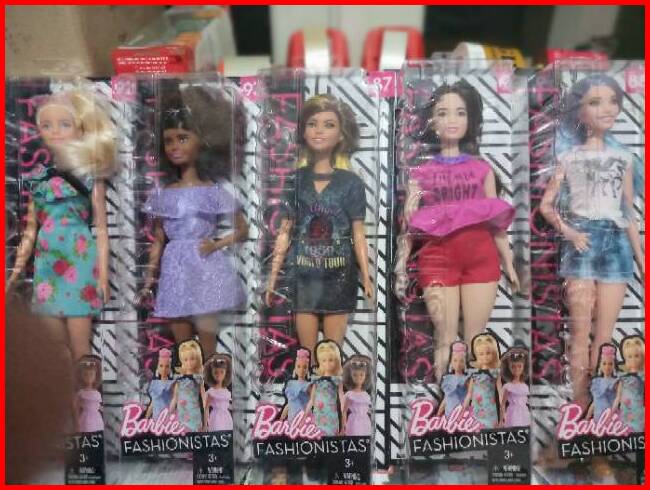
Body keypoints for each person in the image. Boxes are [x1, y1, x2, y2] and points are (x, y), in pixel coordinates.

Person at [394, 80, 519, 381]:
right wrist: (400, 265)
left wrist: (510, 263)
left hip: (481, 259)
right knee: (445, 337)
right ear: (432, 122)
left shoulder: (482, 170)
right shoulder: (421, 174)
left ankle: (478, 399)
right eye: (443, 113)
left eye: (460, 113)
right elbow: (410, 226)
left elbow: (496, 220)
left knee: (477, 339)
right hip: (437, 260)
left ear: (470, 120)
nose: (452, 120)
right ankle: (447, 400)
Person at [540, 74, 644, 406]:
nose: (607, 109)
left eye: (613, 101)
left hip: (617, 244)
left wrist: (642, 258)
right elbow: (546, 206)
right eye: (595, 102)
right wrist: (569, 232)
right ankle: (579, 403)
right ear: (579, 111)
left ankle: (601, 406)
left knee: (605, 335)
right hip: (582, 242)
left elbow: (627, 211)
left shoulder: (625, 159)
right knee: (579, 332)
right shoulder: (569, 157)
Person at [135, 85, 248, 355]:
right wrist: (149, 280)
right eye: (169, 141)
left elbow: (242, 229)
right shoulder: (164, 194)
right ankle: (189, 381)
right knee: (184, 348)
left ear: (204, 140)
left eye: (183, 138)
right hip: (174, 267)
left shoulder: (213, 191)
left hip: (204, 264)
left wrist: (216, 245)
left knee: (208, 345)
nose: (175, 147)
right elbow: (159, 240)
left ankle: (212, 379)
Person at [8, 89, 118, 362]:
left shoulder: (89, 176)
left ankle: (89, 391)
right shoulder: (39, 178)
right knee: (55, 354)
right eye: (47, 125)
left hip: (79, 263)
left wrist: (103, 276)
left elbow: (101, 230)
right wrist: (14, 273)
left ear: (80, 129)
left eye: (64, 124)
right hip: (47, 267)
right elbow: (30, 231)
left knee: (81, 350)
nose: (55, 131)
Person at [265, 95, 374, 357]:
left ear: (341, 135)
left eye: (329, 125)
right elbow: (285, 231)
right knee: (306, 354)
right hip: (303, 275)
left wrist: (366, 276)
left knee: (331, 356)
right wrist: (273, 276)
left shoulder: (351, 183)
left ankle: (332, 384)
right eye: (312, 124)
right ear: (303, 132)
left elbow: (358, 233)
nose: (319, 131)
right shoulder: (295, 180)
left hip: (340, 275)